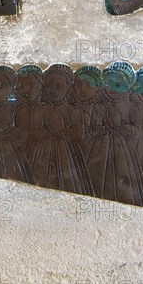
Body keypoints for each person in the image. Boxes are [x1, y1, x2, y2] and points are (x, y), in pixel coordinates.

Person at [86, 62, 143, 206]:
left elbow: (139, 133)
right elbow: (93, 130)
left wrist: (120, 126)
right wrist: (103, 129)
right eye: (108, 84)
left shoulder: (135, 107)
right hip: (102, 148)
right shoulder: (100, 106)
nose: (111, 88)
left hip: (125, 151)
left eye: (117, 85)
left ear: (127, 86)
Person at [27, 65, 92, 194]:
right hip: (41, 154)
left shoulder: (73, 112)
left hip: (66, 155)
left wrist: (62, 130)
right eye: (49, 85)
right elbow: (32, 133)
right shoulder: (41, 110)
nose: (53, 90)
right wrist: (44, 132)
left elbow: (80, 136)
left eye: (58, 86)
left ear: (68, 88)